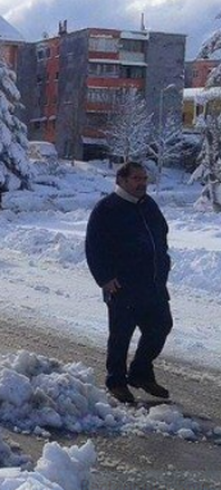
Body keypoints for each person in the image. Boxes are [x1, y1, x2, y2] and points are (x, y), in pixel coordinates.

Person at [85, 161, 173, 404]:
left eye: (144, 178)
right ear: (121, 180)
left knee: (161, 326)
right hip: (122, 286)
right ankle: (116, 381)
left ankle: (141, 373)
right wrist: (104, 278)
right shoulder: (107, 208)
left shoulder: (149, 205)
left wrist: (163, 263)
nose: (142, 183)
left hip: (153, 285)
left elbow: (161, 235)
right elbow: (94, 246)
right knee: (121, 335)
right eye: (136, 178)